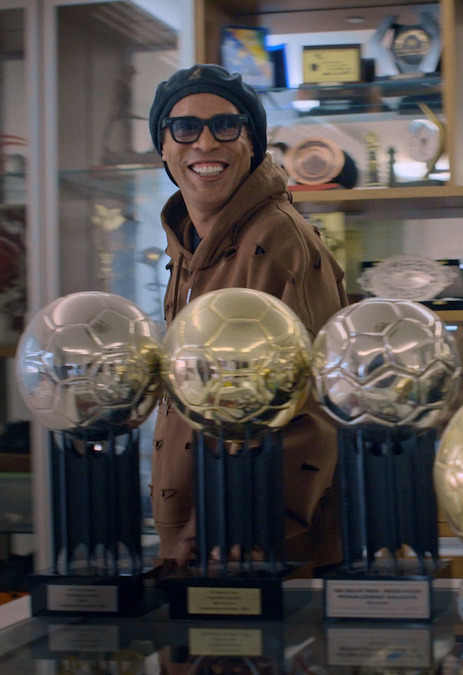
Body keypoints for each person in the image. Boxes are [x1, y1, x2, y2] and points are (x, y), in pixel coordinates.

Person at [147, 64, 349, 568]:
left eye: (226, 125)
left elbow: (316, 405)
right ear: (163, 147)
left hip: (259, 547)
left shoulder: (280, 240)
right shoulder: (187, 246)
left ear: (252, 143)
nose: (205, 143)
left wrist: (235, 524)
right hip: (195, 538)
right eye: (185, 127)